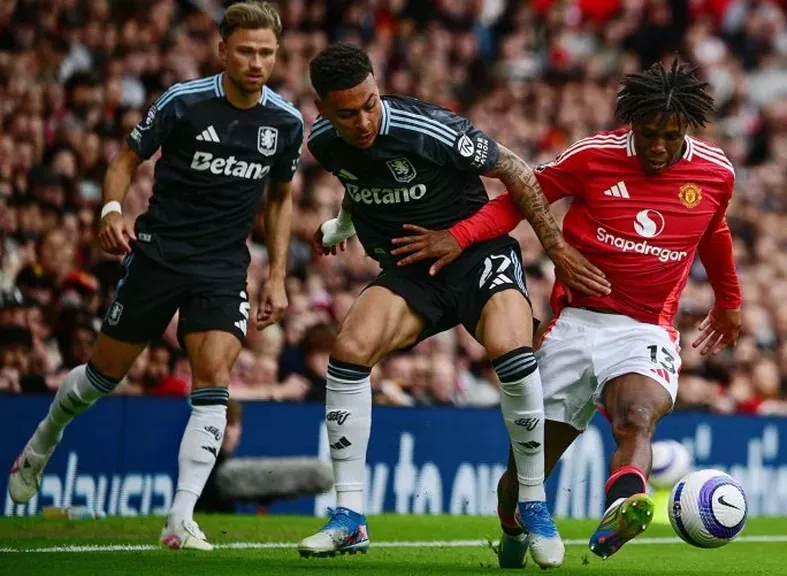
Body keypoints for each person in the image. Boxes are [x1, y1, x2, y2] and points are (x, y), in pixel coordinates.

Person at [390, 59, 743, 564]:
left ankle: (623, 505)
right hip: (574, 324)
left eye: (671, 136)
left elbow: (714, 230)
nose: (659, 147)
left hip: (645, 328)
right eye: (649, 134)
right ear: (632, 124)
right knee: (524, 474)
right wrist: (458, 235)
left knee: (637, 418)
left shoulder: (715, 171)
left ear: (687, 127)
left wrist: (729, 300)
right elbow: (521, 198)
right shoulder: (593, 155)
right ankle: (512, 531)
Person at [6, 1, 303, 551]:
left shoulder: (285, 121)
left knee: (214, 378)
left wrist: (278, 275)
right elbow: (124, 161)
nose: (257, 62)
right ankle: (43, 442)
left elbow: (281, 199)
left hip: (222, 266)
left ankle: (180, 518)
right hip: (159, 255)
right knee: (102, 377)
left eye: (266, 52)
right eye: (246, 51)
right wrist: (111, 210)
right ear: (222, 50)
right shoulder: (183, 102)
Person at [299, 43, 610, 568]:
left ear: (378, 87)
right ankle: (349, 517)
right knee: (349, 349)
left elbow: (516, 170)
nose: (363, 121)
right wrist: (342, 225)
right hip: (412, 268)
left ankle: (533, 503)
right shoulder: (325, 141)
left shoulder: (430, 128)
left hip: (477, 256)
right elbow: (358, 181)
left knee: (511, 351)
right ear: (323, 109)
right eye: (347, 113)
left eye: (370, 104)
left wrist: (555, 247)